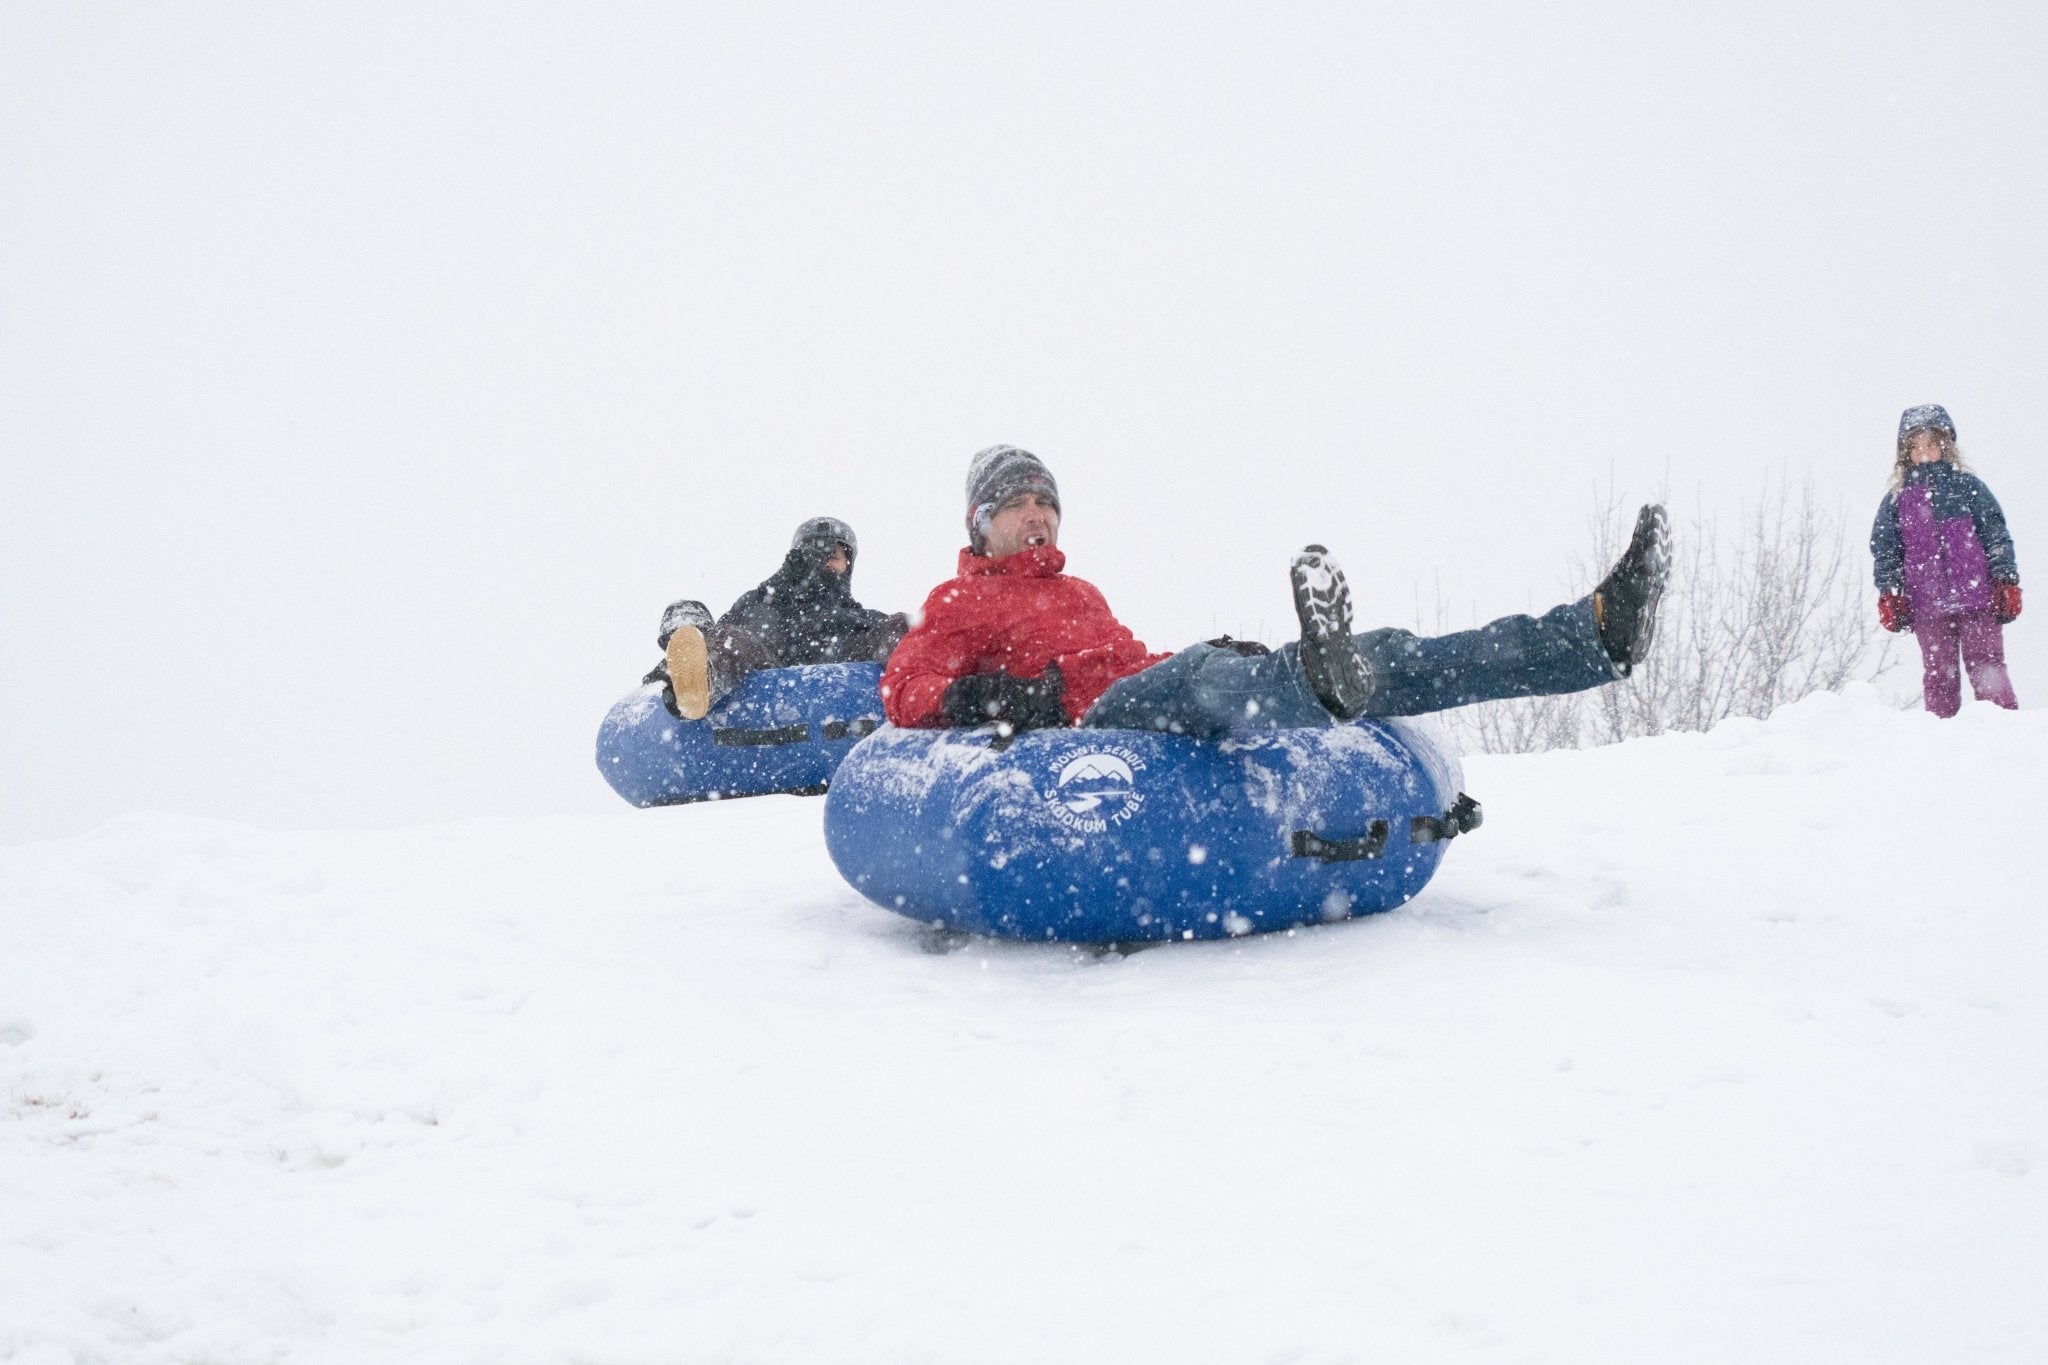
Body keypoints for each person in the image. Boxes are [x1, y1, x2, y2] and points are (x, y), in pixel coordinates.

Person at [880, 445, 1672, 737]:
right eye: (1018, 503)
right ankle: (1311, 677)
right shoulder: (958, 601)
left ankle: (1591, 636)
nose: (1037, 514)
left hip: (1136, 690)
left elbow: (1120, 657)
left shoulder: (1080, 591)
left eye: (1046, 501)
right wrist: (1016, 699)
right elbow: (905, 688)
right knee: (1200, 678)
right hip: (1085, 719)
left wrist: (1220, 650)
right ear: (981, 522)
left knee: (1383, 654)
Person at [649, 516, 909, 720]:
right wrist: (785, 581)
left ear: (848, 566)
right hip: (772, 692)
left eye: (833, 556)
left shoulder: (862, 618)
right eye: (814, 555)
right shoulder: (762, 603)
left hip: (845, 691)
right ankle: (695, 687)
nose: (824, 563)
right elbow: (724, 633)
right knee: (720, 633)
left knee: (902, 626)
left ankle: (930, 688)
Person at [1870, 404, 2021, 717]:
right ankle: (1942, 736)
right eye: (1916, 447)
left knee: (1987, 665)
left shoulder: (1969, 488)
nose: (1923, 452)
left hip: (1978, 597)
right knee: (1940, 673)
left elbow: (1996, 534)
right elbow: (1886, 549)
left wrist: (2005, 579)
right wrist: (1889, 592)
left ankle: (2003, 730)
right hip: (1927, 603)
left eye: (1930, 444)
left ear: (1945, 445)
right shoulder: (1897, 500)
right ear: (1905, 453)